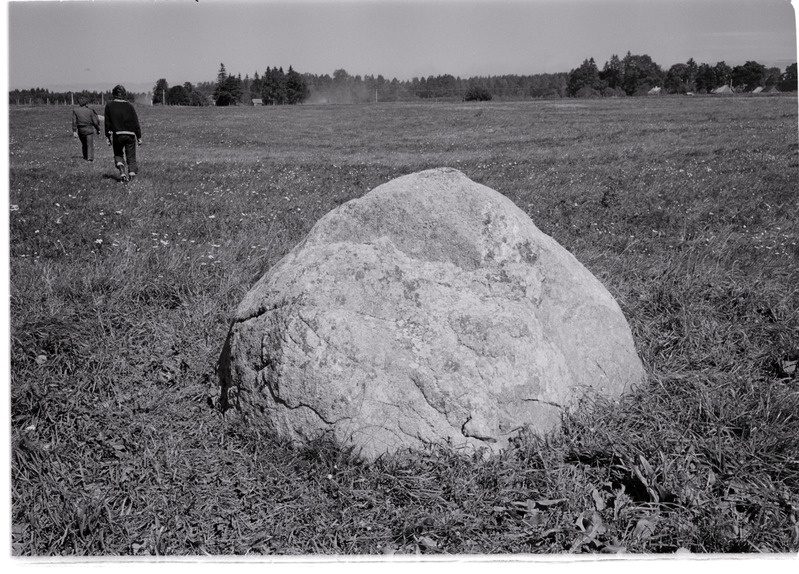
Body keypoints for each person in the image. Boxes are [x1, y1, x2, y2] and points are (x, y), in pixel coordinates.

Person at [104, 85, 142, 182]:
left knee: (118, 154)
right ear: (124, 94)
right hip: (130, 134)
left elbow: (107, 123)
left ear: (114, 94)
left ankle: (122, 172)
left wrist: (108, 136)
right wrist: (139, 137)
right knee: (131, 156)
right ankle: (132, 177)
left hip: (118, 134)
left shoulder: (109, 106)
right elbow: (136, 122)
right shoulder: (130, 106)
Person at [71, 96, 100, 161]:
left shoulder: (75, 110)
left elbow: (74, 121)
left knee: (84, 144)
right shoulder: (90, 111)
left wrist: (74, 131)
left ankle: (85, 156)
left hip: (80, 129)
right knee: (89, 144)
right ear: (86, 103)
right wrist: (98, 129)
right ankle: (90, 158)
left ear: (79, 103)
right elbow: (95, 122)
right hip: (89, 129)